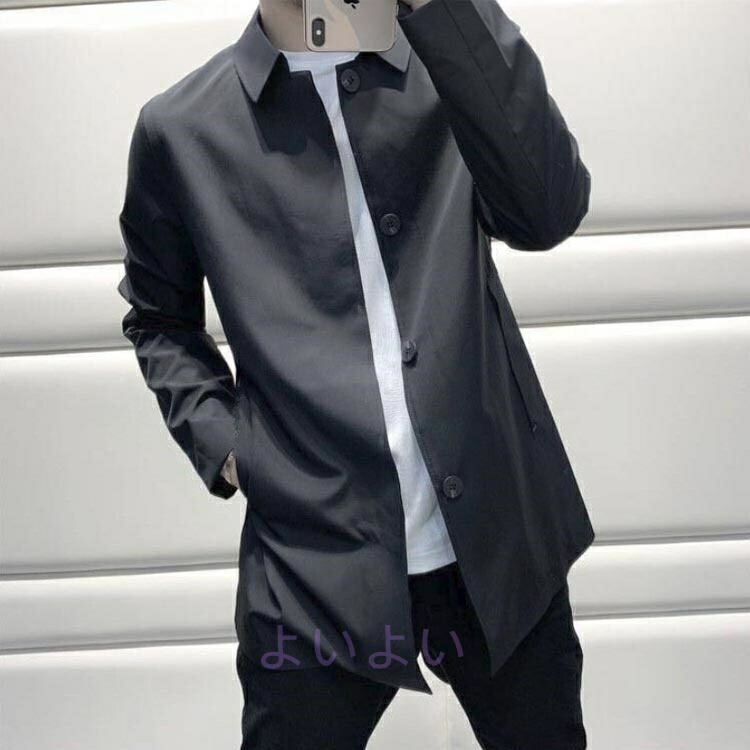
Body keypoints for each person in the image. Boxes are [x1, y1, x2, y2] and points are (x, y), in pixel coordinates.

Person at [117, 0, 595, 747]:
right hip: (313, 570)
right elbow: (158, 319)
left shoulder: (450, 69)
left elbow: (550, 210)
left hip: (498, 541)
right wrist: (233, 449)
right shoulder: (181, 128)